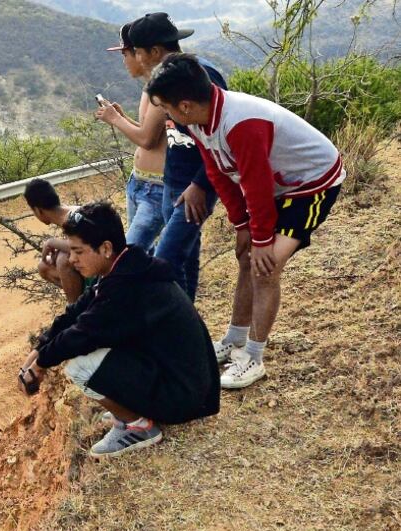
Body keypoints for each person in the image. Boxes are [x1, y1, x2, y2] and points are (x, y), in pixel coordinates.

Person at [145, 53, 345, 389]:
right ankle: (235, 338)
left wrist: (263, 239)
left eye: (165, 107)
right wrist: (241, 226)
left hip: (312, 184)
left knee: (264, 266)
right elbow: (217, 172)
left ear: (184, 105)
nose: (165, 114)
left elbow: (257, 183)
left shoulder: (242, 123)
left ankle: (253, 357)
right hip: (279, 184)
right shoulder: (197, 119)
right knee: (245, 257)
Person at [18, 201, 220, 457]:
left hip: (184, 398)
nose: (71, 259)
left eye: (78, 252)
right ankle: (131, 407)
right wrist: (38, 350)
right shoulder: (126, 267)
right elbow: (76, 312)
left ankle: (138, 426)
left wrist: (41, 364)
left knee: (80, 366)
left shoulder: (128, 288)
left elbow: (82, 334)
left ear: (105, 248)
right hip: (184, 381)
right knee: (89, 347)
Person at [96, 12, 227, 301]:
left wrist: (200, 185)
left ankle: (171, 326)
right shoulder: (164, 79)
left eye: (138, 52)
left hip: (193, 187)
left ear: (154, 51)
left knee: (164, 258)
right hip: (174, 183)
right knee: (184, 259)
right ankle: (188, 326)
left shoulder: (200, 74)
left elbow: (219, 138)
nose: (135, 58)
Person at [95, 23, 168, 266]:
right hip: (139, 183)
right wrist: (122, 117)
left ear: (141, 53)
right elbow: (150, 133)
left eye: (126, 54)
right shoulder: (150, 86)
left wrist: (116, 120)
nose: (125, 60)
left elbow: (147, 140)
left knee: (125, 259)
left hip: (156, 189)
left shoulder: (163, 88)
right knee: (142, 257)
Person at [23, 178, 85, 303]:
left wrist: (51, 242)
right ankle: (84, 300)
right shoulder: (69, 213)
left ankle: (75, 311)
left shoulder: (72, 217)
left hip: (105, 269)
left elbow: (87, 246)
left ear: (38, 210)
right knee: (44, 267)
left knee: (63, 259)